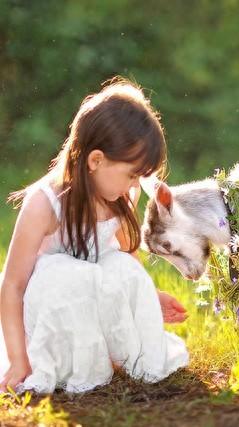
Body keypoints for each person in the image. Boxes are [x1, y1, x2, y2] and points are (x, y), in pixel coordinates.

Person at [0, 77, 189, 393]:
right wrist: (19, 360)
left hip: (87, 301)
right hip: (46, 315)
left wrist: (147, 298)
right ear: (96, 160)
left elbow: (126, 261)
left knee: (119, 266)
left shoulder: (120, 197)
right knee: (69, 274)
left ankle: (106, 355)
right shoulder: (45, 205)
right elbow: (13, 286)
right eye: (131, 175)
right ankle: (63, 361)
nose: (134, 186)